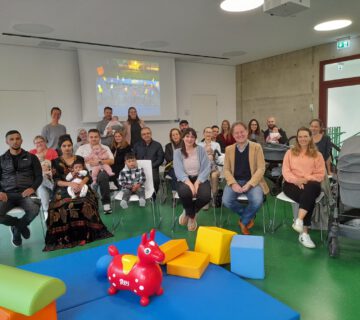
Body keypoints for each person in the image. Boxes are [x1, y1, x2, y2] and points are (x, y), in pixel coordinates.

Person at [44, 134, 112, 251]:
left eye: (69, 145)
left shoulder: (79, 158)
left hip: (82, 185)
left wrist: (81, 184)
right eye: (64, 146)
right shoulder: (54, 161)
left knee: (86, 202)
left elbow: (87, 175)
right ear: (60, 147)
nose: (67, 148)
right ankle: (68, 237)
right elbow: (57, 181)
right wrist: (71, 184)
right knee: (64, 205)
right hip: (64, 188)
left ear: (72, 146)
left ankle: (85, 235)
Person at [222, 122, 269, 235]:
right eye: (236, 133)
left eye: (242, 132)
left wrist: (250, 184)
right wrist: (233, 184)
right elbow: (226, 170)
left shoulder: (256, 147)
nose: (240, 135)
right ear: (233, 135)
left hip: (253, 181)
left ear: (247, 132)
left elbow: (261, 168)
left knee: (258, 200)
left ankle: (243, 222)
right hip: (235, 181)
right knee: (226, 201)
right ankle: (248, 216)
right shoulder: (229, 149)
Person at [282, 127, 325, 249]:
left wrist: (305, 178)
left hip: (310, 184)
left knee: (310, 190)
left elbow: (320, 174)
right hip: (291, 184)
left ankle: (299, 220)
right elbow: (286, 171)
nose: (303, 139)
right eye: (300, 136)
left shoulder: (318, 155)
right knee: (308, 197)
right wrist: (297, 180)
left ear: (310, 138)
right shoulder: (289, 153)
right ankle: (304, 233)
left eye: (305, 136)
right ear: (297, 138)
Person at [0, 130, 42, 247]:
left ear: (21, 140)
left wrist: (33, 188)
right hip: (7, 195)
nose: (15, 141)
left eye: (18, 138)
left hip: (25, 194)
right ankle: (18, 225)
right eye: (12, 139)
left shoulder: (32, 157)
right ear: (7, 141)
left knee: (34, 209)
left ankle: (17, 230)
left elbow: (39, 176)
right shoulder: (1, 159)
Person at [173, 128, 211, 231]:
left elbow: (207, 167)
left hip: (200, 178)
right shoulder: (177, 152)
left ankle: (189, 212)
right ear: (183, 137)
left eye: (192, 137)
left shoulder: (201, 150)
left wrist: (197, 182)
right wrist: (190, 184)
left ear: (195, 139)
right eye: (187, 136)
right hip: (184, 179)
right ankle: (192, 218)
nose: (190, 139)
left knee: (206, 197)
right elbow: (178, 170)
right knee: (185, 193)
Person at [76, 129, 114, 214]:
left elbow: (111, 161)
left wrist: (99, 162)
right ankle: (91, 202)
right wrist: (87, 163)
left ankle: (106, 204)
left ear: (99, 138)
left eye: (96, 137)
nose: (94, 139)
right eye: (91, 137)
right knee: (92, 178)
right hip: (85, 172)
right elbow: (77, 162)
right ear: (88, 138)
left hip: (101, 170)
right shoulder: (81, 148)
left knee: (103, 175)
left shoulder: (105, 147)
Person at [29, 135, 58, 219]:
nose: (39, 143)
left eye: (41, 141)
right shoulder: (32, 152)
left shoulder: (52, 151)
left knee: (41, 182)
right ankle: (55, 189)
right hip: (39, 178)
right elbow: (28, 166)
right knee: (40, 180)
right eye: (37, 142)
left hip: (50, 177)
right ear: (34, 144)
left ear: (45, 142)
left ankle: (46, 211)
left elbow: (56, 165)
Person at [133, 127, 164, 195]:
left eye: (148, 133)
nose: (146, 135)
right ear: (141, 136)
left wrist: (151, 166)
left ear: (151, 134)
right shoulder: (136, 145)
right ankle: (139, 194)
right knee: (132, 179)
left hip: (153, 168)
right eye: (144, 134)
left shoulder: (157, 145)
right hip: (139, 169)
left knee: (155, 180)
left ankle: (153, 196)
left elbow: (160, 159)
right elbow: (133, 157)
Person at [198, 127, 221, 205]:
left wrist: (213, 154)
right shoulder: (199, 145)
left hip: (214, 166)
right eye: (207, 132)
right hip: (202, 167)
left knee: (214, 176)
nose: (208, 134)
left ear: (212, 134)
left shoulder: (216, 144)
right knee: (205, 176)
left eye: (210, 132)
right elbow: (197, 158)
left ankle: (214, 197)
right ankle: (205, 199)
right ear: (203, 134)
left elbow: (219, 159)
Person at [164, 128, 182, 195]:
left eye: (177, 134)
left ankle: (185, 192)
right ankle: (175, 193)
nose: (175, 136)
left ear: (180, 135)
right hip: (171, 168)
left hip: (184, 167)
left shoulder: (185, 145)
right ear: (171, 137)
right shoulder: (168, 146)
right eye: (173, 135)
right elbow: (168, 158)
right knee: (176, 174)